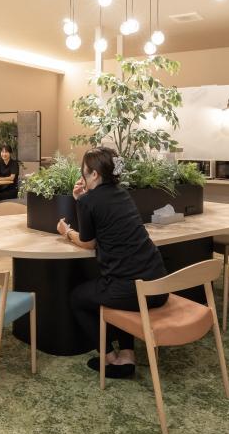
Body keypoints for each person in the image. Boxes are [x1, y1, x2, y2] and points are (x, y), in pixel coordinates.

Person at [59, 147, 167, 379]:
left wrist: (66, 232)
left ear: (94, 174)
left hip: (131, 290)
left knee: (77, 297)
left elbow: (88, 242)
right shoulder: (122, 193)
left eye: (84, 171)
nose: (82, 175)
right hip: (159, 286)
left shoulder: (89, 201)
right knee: (119, 293)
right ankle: (127, 355)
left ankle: (110, 359)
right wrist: (82, 199)